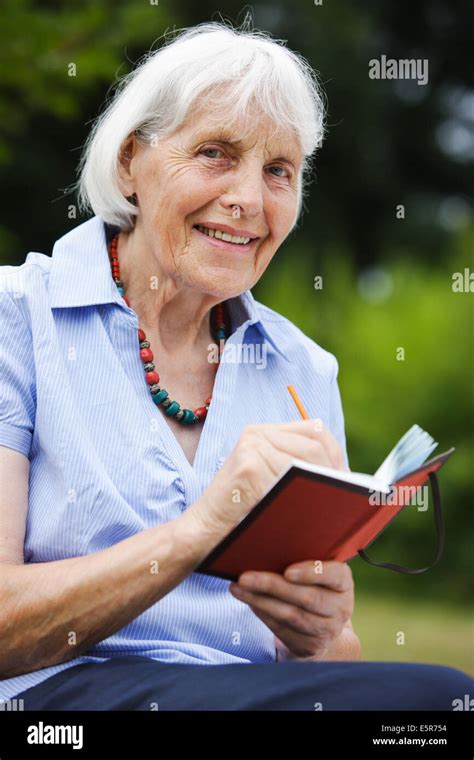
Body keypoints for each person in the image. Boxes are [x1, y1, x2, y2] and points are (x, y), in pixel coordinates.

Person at [0, 20, 472, 711]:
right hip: (64, 698)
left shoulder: (303, 370)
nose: (250, 200)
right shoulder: (17, 315)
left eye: (279, 171)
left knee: (438, 704)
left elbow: (334, 662)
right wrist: (199, 531)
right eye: (217, 154)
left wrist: (319, 633)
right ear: (131, 161)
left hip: (251, 693)